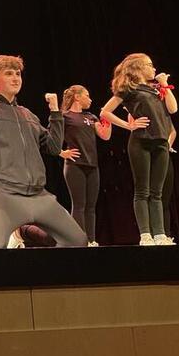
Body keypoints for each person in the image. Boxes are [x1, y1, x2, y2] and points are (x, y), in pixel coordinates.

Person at [0, 55, 87, 249]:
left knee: (77, 241)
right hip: (3, 193)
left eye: (18, 74)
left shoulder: (28, 115)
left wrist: (55, 112)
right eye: (8, 74)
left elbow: (53, 147)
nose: (15, 78)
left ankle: (28, 251)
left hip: (38, 195)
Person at [100, 53, 177, 246]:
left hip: (161, 142)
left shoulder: (157, 88)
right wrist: (130, 126)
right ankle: (145, 235)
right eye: (150, 65)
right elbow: (105, 112)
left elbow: (173, 109)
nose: (153, 68)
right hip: (141, 141)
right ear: (138, 68)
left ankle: (159, 234)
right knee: (143, 190)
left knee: (157, 192)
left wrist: (164, 85)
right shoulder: (129, 89)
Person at [59, 85, 112, 246]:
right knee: (79, 205)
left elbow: (105, 136)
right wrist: (62, 152)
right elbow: (51, 137)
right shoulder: (65, 116)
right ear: (77, 97)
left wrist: (107, 118)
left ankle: (91, 240)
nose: (90, 99)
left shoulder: (91, 116)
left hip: (92, 165)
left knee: (91, 206)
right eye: (87, 95)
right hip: (75, 165)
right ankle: (80, 241)